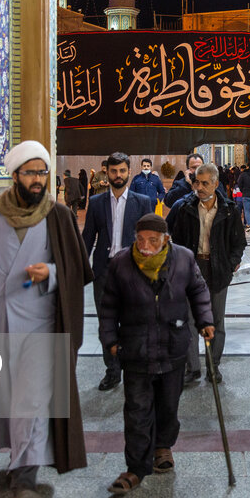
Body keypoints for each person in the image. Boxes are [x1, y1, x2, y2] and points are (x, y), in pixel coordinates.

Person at [0, 140, 93, 498]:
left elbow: (78, 268)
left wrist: (53, 273)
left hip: (40, 325)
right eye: (30, 173)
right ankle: (4, 456)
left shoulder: (57, 215)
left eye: (42, 172)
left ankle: (24, 476)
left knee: (31, 400)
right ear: (15, 176)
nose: (38, 180)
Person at [99, 214, 215, 494]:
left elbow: (198, 291)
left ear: (166, 239)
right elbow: (108, 306)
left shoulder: (184, 258)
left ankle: (163, 447)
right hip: (135, 348)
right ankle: (135, 467)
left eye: (153, 240)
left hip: (173, 346)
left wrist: (205, 321)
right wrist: (110, 340)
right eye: (140, 240)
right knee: (137, 410)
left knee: (168, 405)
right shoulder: (121, 263)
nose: (146, 245)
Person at [166, 163, 247, 385]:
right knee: (190, 320)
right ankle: (192, 368)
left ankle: (214, 366)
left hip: (217, 270)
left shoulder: (229, 210)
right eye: (196, 182)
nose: (199, 187)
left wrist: (231, 265)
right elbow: (174, 237)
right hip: (192, 270)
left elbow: (239, 243)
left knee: (216, 321)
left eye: (204, 183)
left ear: (215, 184)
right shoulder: (184, 208)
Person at [82, 152, 154, 391]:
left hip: (132, 273)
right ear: (107, 172)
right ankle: (112, 371)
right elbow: (87, 239)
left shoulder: (142, 201)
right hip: (104, 272)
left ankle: (134, 370)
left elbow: (149, 240)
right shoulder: (95, 203)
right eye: (114, 171)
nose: (118, 175)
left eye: (122, 171)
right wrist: (80, 271)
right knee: (107, 325)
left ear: (128, 172)